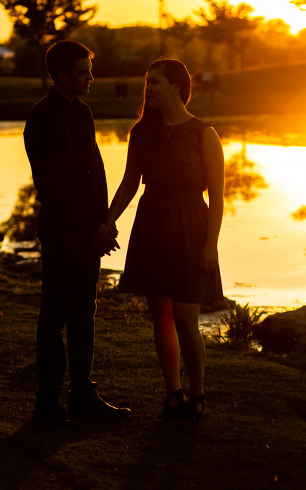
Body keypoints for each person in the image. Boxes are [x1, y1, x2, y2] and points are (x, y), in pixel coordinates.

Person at [106, 57, 225, 423]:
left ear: (176, 86)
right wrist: (107, 221)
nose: (149, 89)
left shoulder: (204, 133)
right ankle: (173, 393)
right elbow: (130, 182)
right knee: (161, 316)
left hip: (191, 225)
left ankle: (198, 395)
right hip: (152, 223)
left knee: (187, 319)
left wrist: (211, 244)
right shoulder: (141, 132)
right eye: (148, 82)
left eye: (155, 82)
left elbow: (218, 197)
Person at [24, 40, 131, 426]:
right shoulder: (41, 117)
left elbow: (95, 171)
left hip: (88, 231)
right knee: (56, 313)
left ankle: (83, 394)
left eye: (90, 70)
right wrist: (92, 226)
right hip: (62, 231)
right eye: (84, 72)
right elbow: (53, 184)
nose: (91, 77)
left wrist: (105, 222)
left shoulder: (83, 112)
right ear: (62, 75)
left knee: (85, 312)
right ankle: (47, 404)